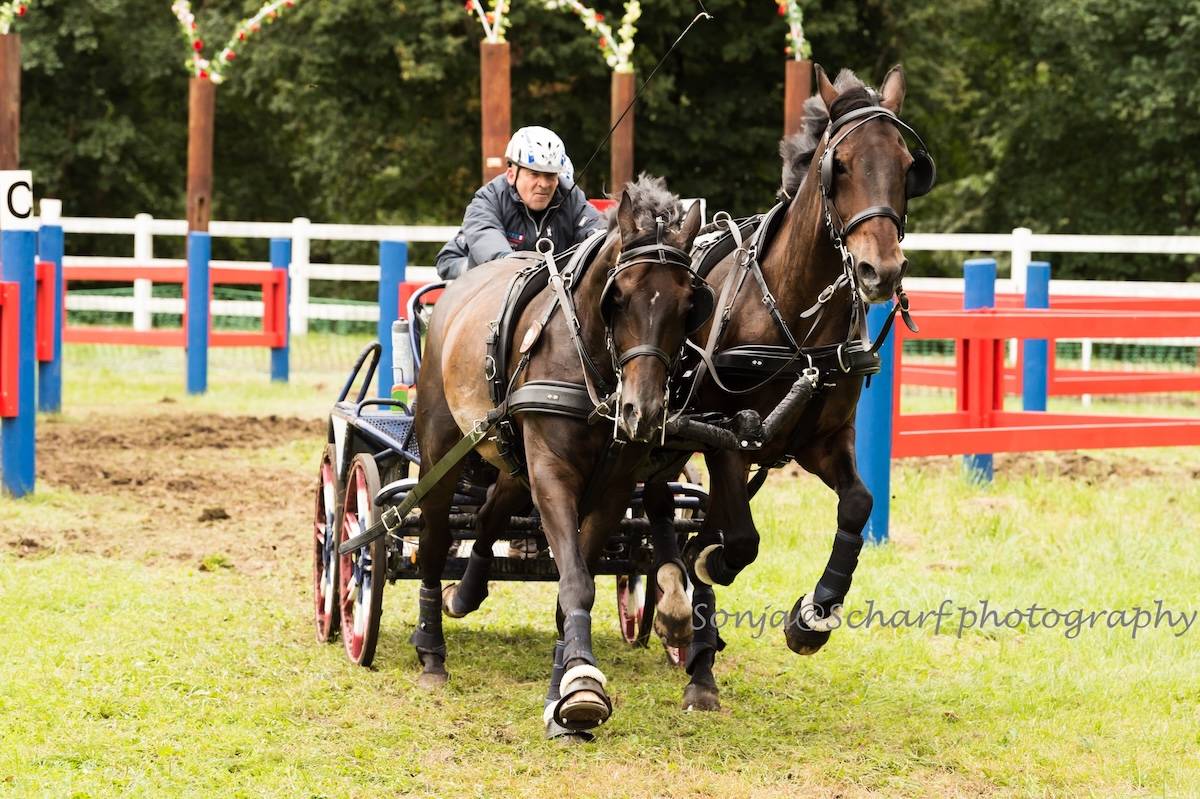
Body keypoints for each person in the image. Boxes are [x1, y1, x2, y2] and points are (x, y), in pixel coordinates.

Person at [435, 126, 605, 280]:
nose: (544, 184)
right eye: (534, 174)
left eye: (550, 176)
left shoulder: (572, 197)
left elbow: (598, 232)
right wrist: (504, 263)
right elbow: (480, 238)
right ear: (511, 175)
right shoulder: (488, 200)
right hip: (495, 288)